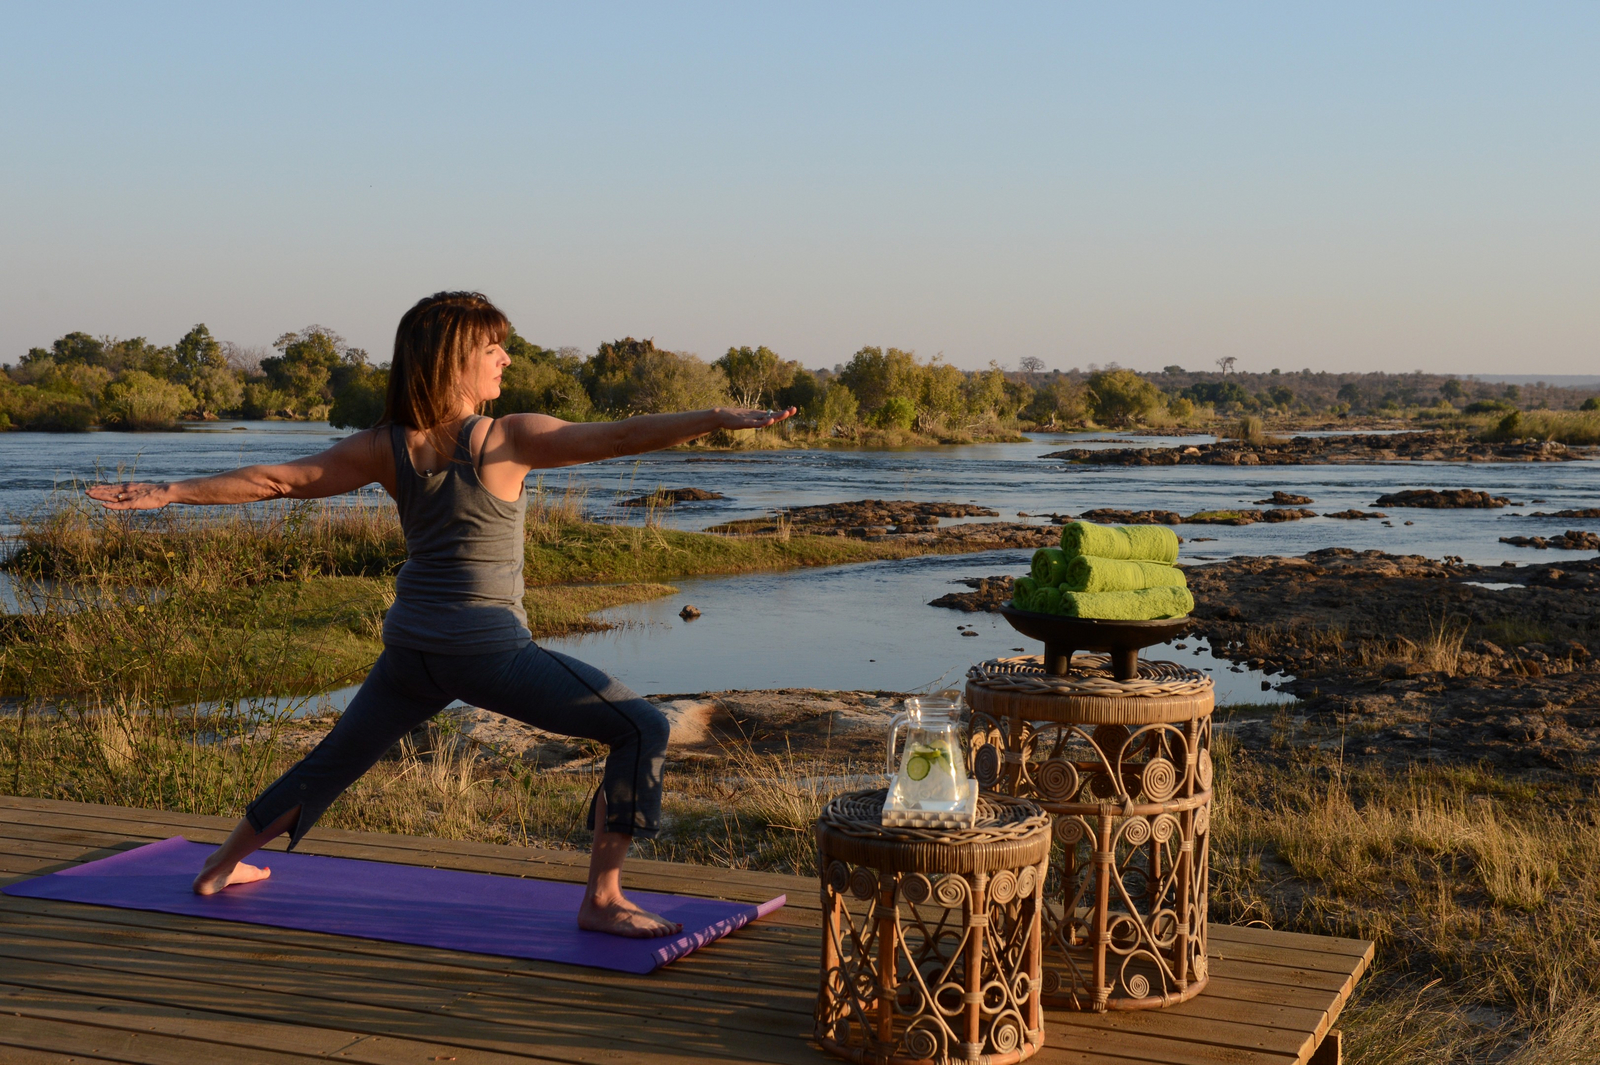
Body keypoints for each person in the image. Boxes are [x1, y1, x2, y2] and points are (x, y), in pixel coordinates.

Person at [88, 291, 794, 938]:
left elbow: (278, 480)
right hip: (487, 650)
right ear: (455, 359)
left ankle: (219, 867)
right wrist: (712, 418)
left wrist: (171, 491)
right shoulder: (505, 438)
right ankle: (603, 899)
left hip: (412, 648)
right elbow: (617, 438)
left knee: (334, 760)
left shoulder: (387, 443)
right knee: (640, 726)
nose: (506, 359)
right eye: (493, 348)